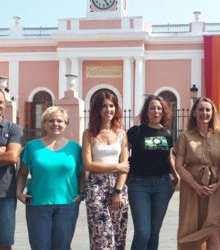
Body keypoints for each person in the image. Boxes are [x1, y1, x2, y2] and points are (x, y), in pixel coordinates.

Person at [16, 106, 84, 250]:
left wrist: (81, 194)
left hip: (67, 204)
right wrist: (19, 192)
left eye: (60, 121)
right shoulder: (32, 146)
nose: (55, 124)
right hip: (37, 203)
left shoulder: (75, 148)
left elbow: (81, 174)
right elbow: (22, 172)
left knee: (62, 247)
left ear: (66, 123)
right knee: (40, 246)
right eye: (50, 120)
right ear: (44, 123)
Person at [174, 97, 220, 250]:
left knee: (213, 228)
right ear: (194, 113)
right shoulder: (185, 137)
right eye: (200, 109)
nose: (204, 113)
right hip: (191, 189)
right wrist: (196, 186)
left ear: (212, 113)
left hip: (215, 189)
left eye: (208, 109)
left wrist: (218, 183)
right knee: (191, 226)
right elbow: (179, 165)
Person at [127, 95, 179, 250]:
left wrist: (177, 176)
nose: (156, 111)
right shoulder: (136, 131)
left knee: (154, 232)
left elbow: (169, 157)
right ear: (146, 112)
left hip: (162, 185)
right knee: (143, 232)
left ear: (163, 112)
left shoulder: (167, 134)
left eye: (159, 108)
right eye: (152, 108)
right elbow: (123, 155)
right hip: (138, 185)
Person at [82, 91, 129, 250]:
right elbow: (88, 164)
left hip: (118, 187)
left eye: (111, 106)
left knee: (118, 235)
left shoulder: (121, 133)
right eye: (104, 106)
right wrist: (116, 166)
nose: (108, 109)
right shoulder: (89, 134)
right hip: (96, 187)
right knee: (102, 238)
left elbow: (125, 166)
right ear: (97, 109)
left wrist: (118, 191)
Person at [0, 87, 23, 250]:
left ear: (5, 104)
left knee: (4, 243)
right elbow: (5, 155)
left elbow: (12, 157)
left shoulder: (14, 129)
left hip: (5, 195)